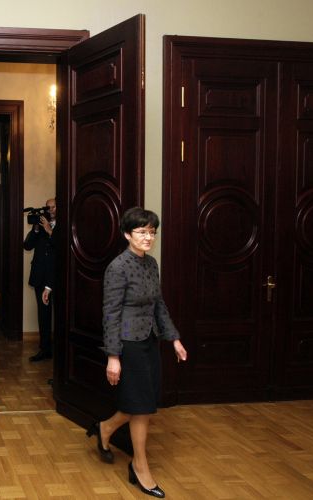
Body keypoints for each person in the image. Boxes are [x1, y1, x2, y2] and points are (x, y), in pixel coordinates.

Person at [93, 207, 187, 498]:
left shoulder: (151, 263)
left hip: (149, 340)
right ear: (127, 234)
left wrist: (174, 339)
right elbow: (110, 313)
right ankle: (140, 466)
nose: (148, 237)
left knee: (142, 402)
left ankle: (105, 428)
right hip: (127, 343)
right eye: (142, 232)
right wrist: (113, 356)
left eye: (152, 232)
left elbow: (159, 304)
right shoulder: (118, 267)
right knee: (141, 406)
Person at [23, 198, 56, 362]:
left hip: (58, 277)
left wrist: (50, 231)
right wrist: (36, 229)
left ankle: (61, 351)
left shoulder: (66, 224)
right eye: (48, 208)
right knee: (43, 315)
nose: (50, 210)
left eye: (53, 207)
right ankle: (45, 349)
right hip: (40, 277)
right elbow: (27, 245)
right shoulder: (40, 227)